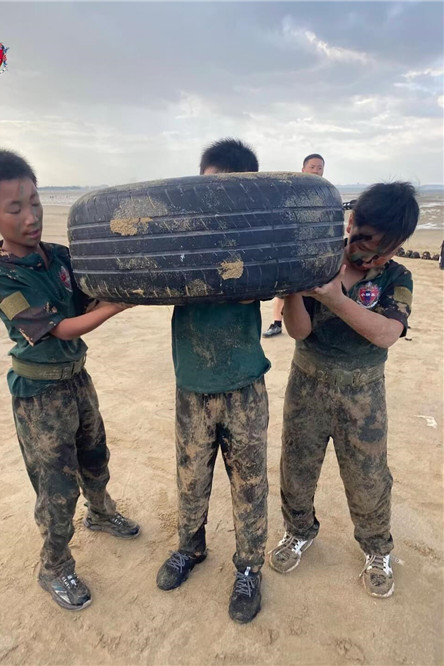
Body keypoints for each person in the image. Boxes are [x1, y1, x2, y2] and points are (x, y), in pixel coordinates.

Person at [0, 149, 140, 612]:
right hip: (39, 395)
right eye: (14, 208)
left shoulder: (58, 255)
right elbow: (59, 329)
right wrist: (114, 308)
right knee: (57, 489)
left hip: (77, 380)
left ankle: (101, 513)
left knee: (95, 457)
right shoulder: (2, 276)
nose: (31, 217)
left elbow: (88, 294)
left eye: (35, 202)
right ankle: (54, 566)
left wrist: (122, 281)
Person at [268, 182, 419, 598]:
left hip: (363, 394)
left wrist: (335, 298)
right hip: (307, 384)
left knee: (368, 478)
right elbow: (299, 332)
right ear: (352, 223)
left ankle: (377, 548)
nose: (373, 256)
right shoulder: (317, 261)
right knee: (296, 468)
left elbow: (386, 334)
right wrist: (293, 292)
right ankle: (298, 531)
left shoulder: (396, 276)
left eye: (387, 249)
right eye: (368, 243)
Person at [156, 139, 270, 624]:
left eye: (223, 189)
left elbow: (270, 282)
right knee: (191, 479)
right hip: (192, 386)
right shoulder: (184, 242)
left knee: (249, 485)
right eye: (205, 187)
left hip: (244, 386)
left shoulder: (258, 244)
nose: (212, 199)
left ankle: (249, 568)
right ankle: (191, 547)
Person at [263, 153, 325, 338]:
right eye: (312, 167)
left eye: (320, 168)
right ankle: (276, 323)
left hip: (314, 248)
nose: (316, 171)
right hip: (293, 246)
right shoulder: (293, 191)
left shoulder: (324, 194)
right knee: (285, 289)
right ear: (303, 169)